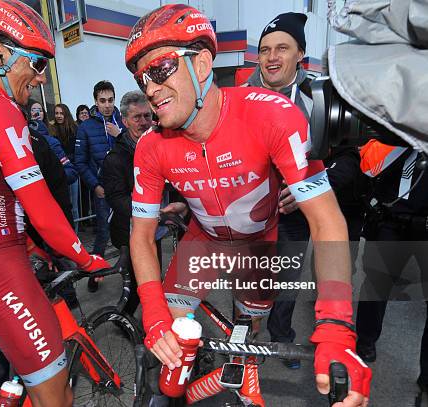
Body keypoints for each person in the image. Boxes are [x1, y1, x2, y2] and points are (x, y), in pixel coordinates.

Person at [125, 4, 371, 406]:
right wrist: (152, 316)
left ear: (202, 63)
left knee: (247, 335)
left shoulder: (273, 115)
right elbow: (141, 234)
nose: (149, 88)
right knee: (167, 347)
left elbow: (327, 223)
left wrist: (336, 326)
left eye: (161, 69)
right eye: (141, 77)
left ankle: (232, 374)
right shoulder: (151, 146)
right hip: (201, 243)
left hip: (259, 244)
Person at [0, 1, 109, 405]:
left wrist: (29, 245)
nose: (42, 79)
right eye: (39, 64)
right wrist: (83, 256)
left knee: (20, 381)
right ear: (1, 55)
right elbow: (38, 201)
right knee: (57, 395)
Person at [243, 12, 365, 370]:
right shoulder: (239, 98)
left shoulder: (322, 98)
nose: (271, 57)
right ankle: (243, 340)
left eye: (282, 47)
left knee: (286, 283)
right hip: (247, 214)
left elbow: (348, 162)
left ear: (301, 54)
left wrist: (307, 189)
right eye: (264, 49)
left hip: (293, 216)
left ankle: (280, 337)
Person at [355, 140, 428, 394]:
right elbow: (368, 166)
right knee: (376, 285)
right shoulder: (395, 131)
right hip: (390, 221)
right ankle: (364, 342)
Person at [101, 90, 153, 316]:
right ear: (124, 121)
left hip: (156, 229)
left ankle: (151, 318)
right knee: (135, 285)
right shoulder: (115, 157)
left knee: (153, 278)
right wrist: (149, 211)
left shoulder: (158, 145)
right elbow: (117, 199)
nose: (143, 122)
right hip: (130, 232)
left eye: (147, 116)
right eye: (137, 118)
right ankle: (123, 321)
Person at [75, 80, 125, 292]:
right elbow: (80, 162)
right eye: (102, 101)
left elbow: (138, 150)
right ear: (95, 101)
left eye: (111, 100)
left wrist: (120, 135)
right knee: (103, 233)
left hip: (125, 188)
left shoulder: (122, 121)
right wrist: (94, 185)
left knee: (130, 233)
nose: (107, 105)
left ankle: (131, 275)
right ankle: (95, 274)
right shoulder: (86, 127)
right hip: (102, 190)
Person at [49, 103, 80, 230]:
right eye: (56, 113)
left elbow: (78, 150)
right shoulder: (51, 130)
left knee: (74, 206)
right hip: (57, 171)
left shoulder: (74, 129)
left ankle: (76, 234)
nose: (59, 116)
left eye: (61, 113)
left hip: (71, 170)